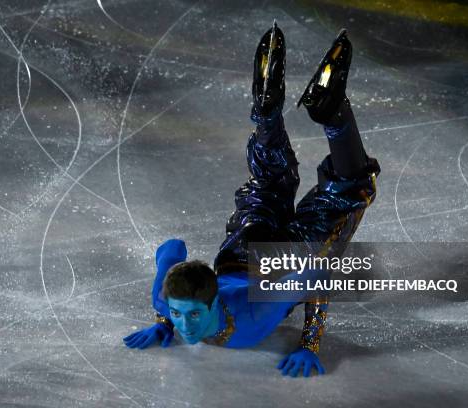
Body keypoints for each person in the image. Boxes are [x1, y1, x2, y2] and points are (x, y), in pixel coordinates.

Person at [123, 23, 380, 378]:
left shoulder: (253, 318)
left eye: (193, 314)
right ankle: (267, 114)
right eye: (179, 314)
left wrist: (310, 344)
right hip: (238, 249)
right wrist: (164, 320)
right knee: (269, 179)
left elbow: (316, 277)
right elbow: (171, 249)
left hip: (280, 263)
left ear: (214, 303)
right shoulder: (165, 299)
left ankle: (332, 112)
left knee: (351, 187)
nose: (185, 326)